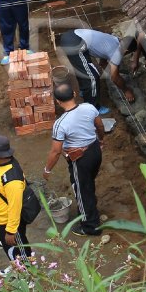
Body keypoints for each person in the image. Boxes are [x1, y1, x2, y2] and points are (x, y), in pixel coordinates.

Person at [44, 82, 105, 236]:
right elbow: (100, 126)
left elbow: (56, 151)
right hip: (95, 151)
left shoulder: (60, 124)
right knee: (87, 184)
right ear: (74, 94)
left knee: (82, 191)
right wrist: (101, 139)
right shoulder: (89, 107)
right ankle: (90, 210)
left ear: (58, 102)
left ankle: (90, 227)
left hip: (81, 159)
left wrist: (47, 169)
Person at [56, 28, 136, 114]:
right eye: (127, 54)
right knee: (92, 78)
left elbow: (103, 60)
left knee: (84, 69)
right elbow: (115, 78)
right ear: (126, 51)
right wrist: (126, 90)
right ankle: (93, 107)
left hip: (71, 36)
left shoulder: (114, 39)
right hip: (75, 44)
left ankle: (85, 91)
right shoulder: (117, 52)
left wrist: (110, 68)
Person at [0, 134, 32, 261]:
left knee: (19, 249)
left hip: (8, 223)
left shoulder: (12, 180)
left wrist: (11, 231)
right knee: (9, 249)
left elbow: (15, 206)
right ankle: (17, 267)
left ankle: (28, 275)